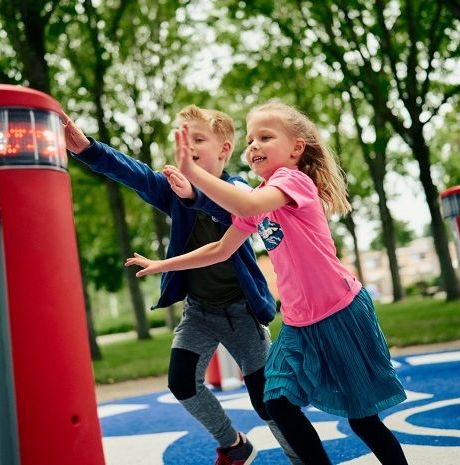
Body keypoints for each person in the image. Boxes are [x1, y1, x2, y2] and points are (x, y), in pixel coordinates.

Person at [127, 101, 409, 465]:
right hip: (298, 323)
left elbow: (244, 206)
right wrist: (162, 264)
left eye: (265, 136)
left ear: (295, 149)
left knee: (363, 420)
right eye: (250, 139)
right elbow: (220, 248)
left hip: (340, 312)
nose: (254, 145)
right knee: (274, 400)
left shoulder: (292, 182)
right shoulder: (259, 196)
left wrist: (193, 174)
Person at [63, 105, 302, 465]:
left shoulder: (239, 188)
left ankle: (300, 456)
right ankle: (234, 445)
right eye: (183, 140)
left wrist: (194, 194)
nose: (188, 146)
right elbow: (136, 174)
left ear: (224, 149)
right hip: (200, 312)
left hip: (242, 313)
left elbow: (232, 210)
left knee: (266, 400)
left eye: (199, 139)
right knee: (182, 382)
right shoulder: (173, 191)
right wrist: (87, 149)